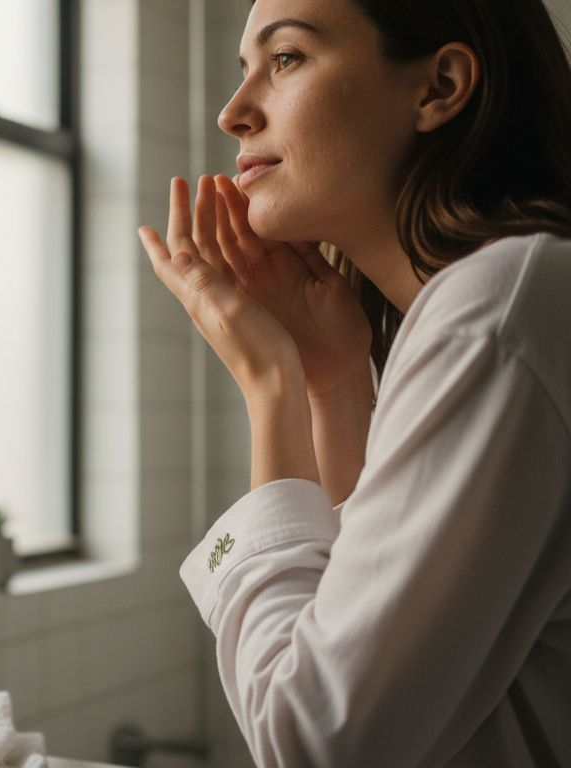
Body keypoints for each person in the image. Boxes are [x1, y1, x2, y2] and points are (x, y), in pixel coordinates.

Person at [136, 0, 571, 764]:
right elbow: (369, 633)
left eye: (287, 59)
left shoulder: (496, 309)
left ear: (439, 86)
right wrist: (329, 381)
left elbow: (311, 743)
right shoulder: (491, 305)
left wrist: (271, 388)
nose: (233, 112)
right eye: (245, 70)